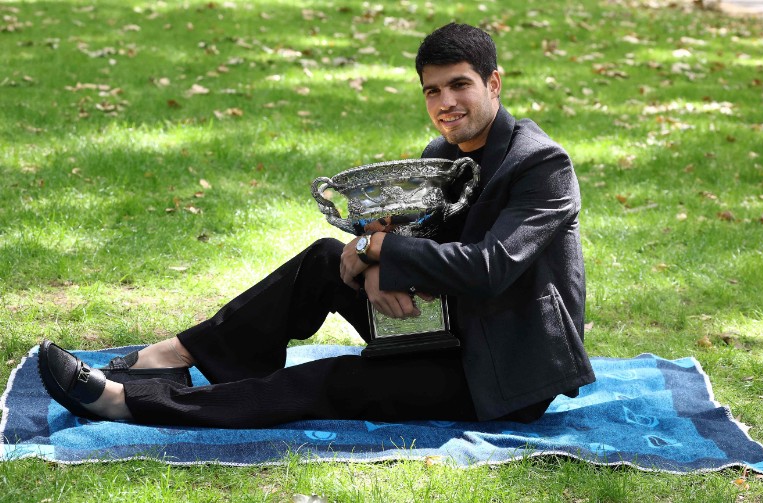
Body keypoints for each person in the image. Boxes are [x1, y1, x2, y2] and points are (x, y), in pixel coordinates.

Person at [38, 22, 595, 428]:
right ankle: (185, 354)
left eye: (459, 85)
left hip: (503, 371)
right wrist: (372, 253)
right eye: (432, 90)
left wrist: (380, 250)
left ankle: (127, 404)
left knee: (332, 381)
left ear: (494, 83)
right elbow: (410, 236)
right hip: (444, 323)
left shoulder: (540, 164)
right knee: (323, 261)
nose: (445, 103)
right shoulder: (440, 153)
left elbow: (490, 268)